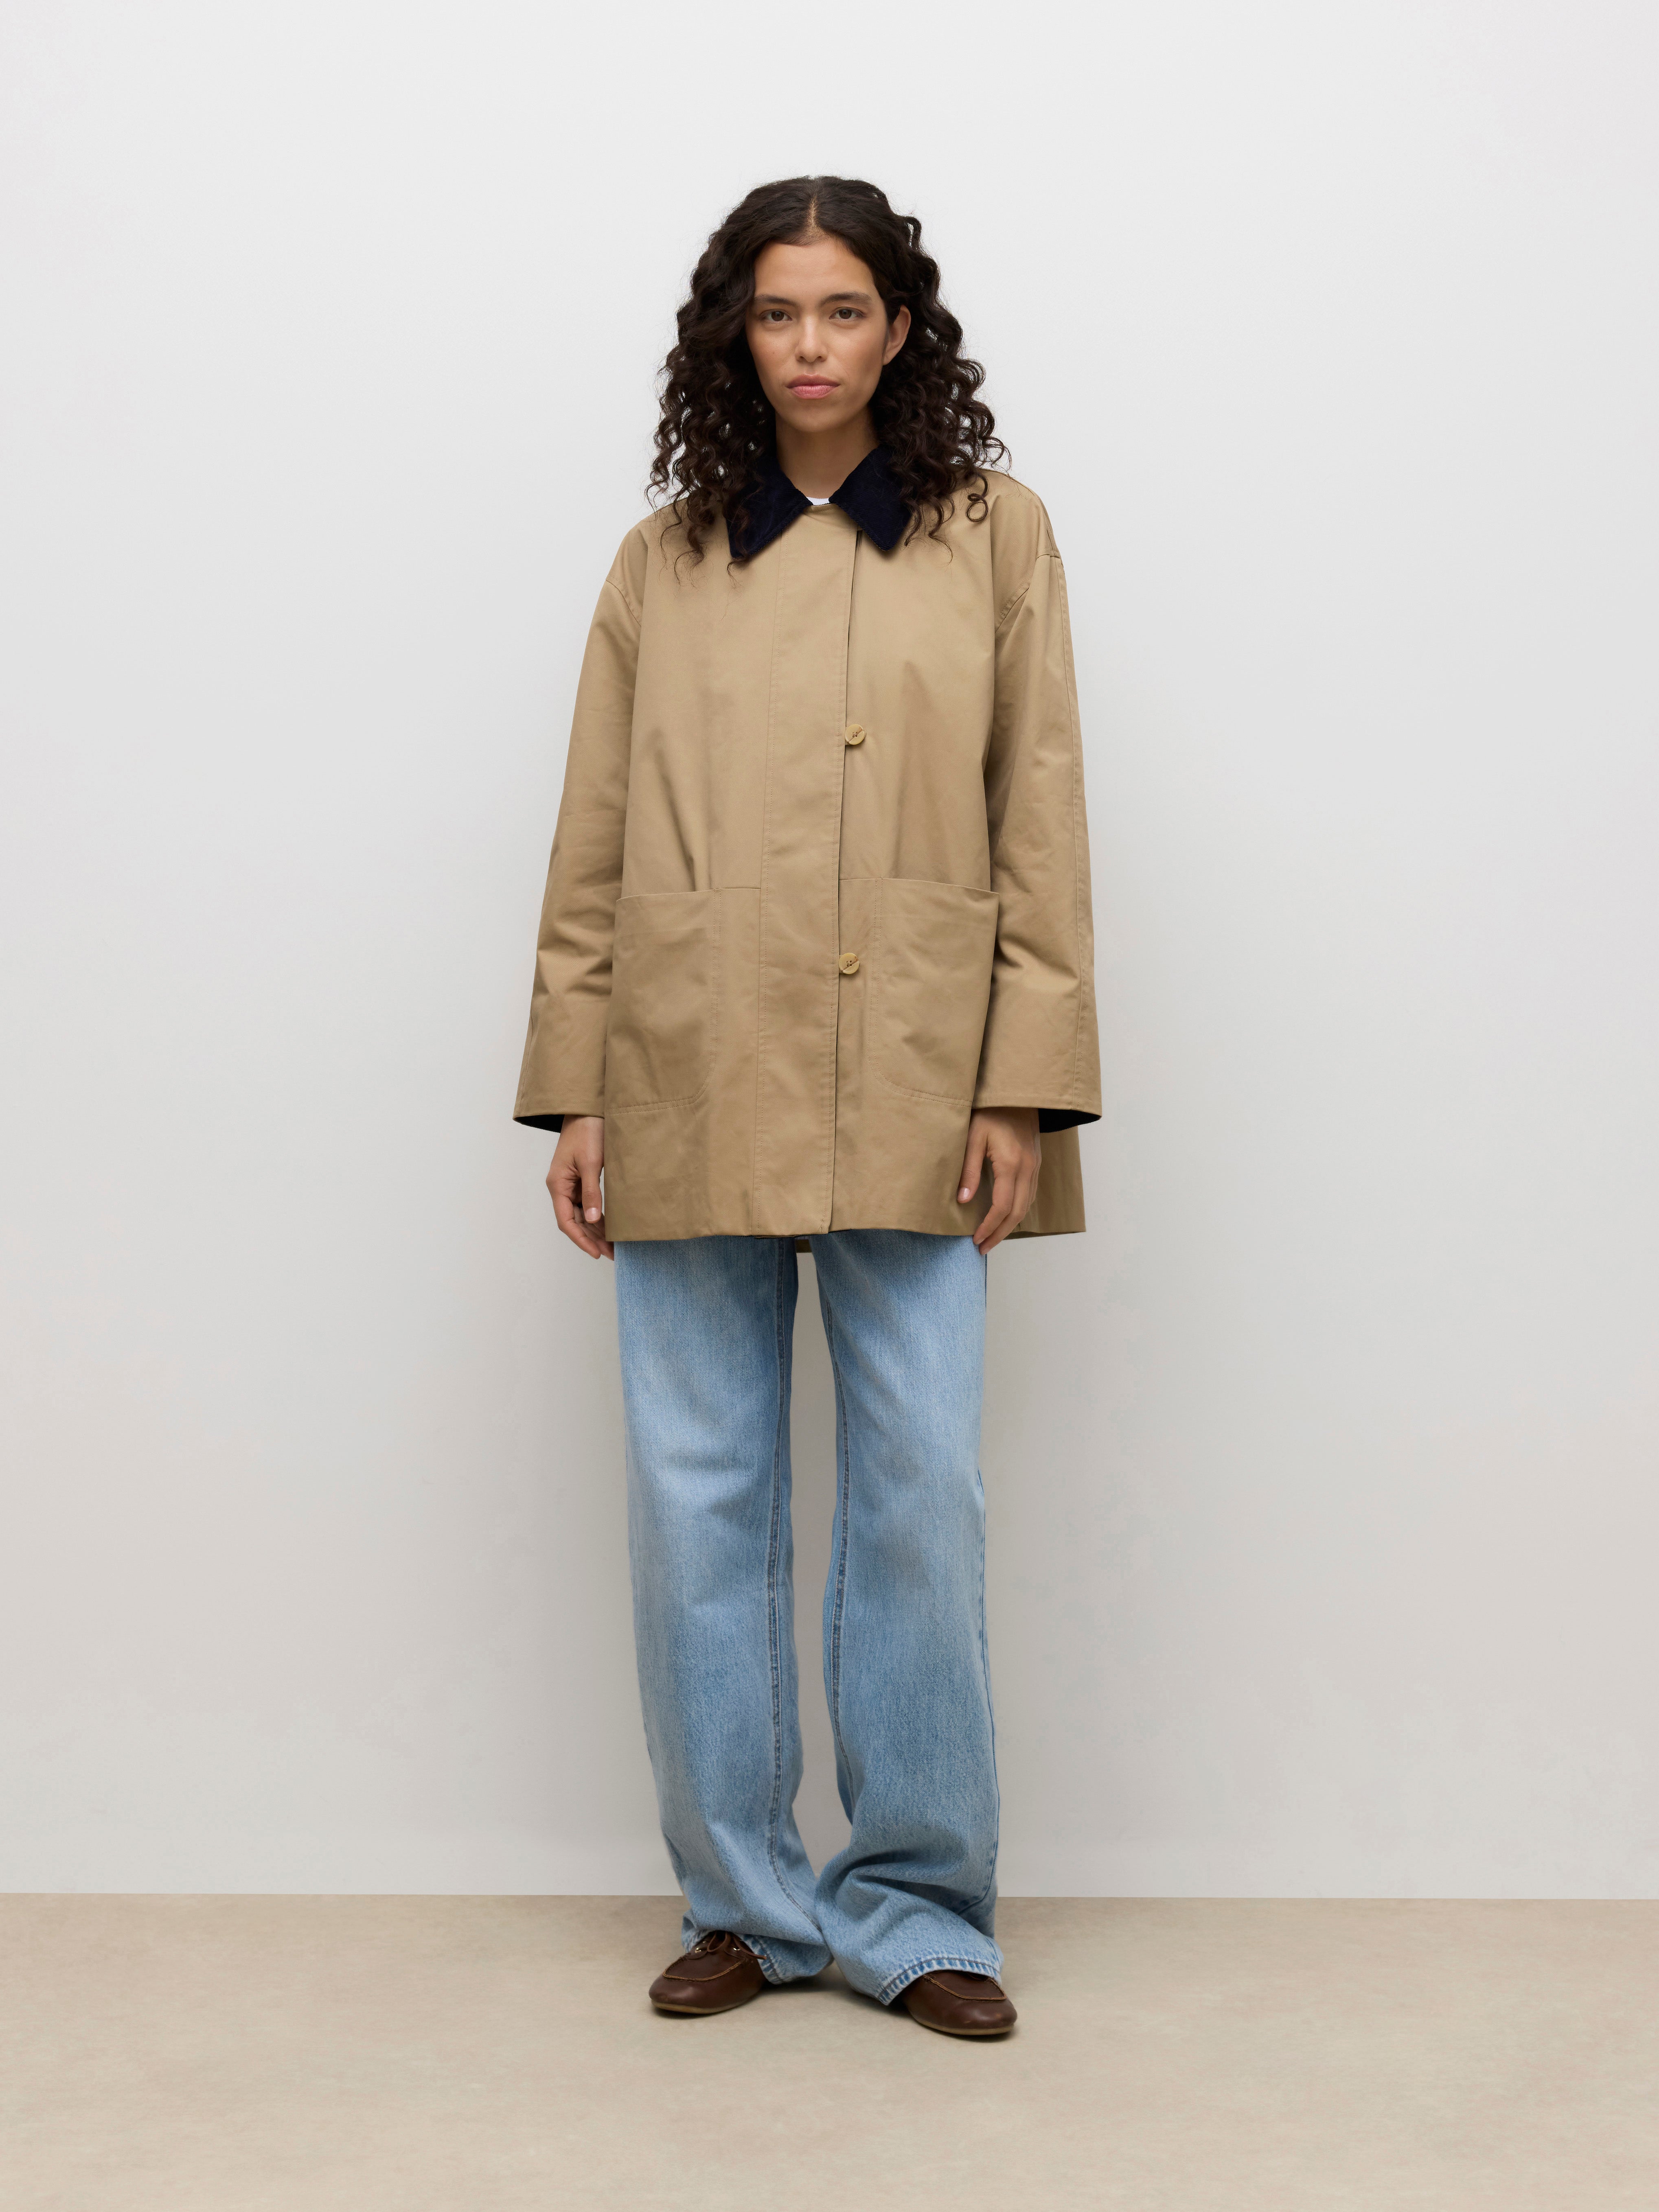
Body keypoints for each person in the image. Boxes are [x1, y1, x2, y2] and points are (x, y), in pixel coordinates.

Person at [513, 176, 1099, 2038]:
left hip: (922, 1072)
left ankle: (918, 1911)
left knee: (917, 1488)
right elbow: (595, 836)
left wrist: (1022, 1085)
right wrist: (575, 1087)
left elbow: (1037, 815)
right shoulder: (663, 559)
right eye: (776, 314)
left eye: (843, 310)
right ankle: (744, 1907)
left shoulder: (992, 538)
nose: (810, 346)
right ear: (735, 339)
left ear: (898, 328)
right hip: (686, 1063)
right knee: (697, 1498)